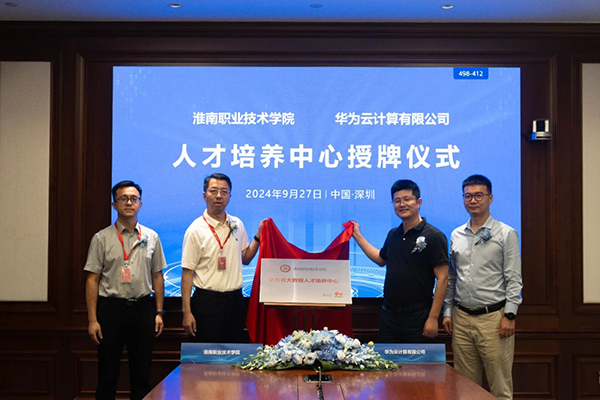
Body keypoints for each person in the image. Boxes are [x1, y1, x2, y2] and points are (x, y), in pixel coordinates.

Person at [442, 174, 523, 400]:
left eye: (479, 195)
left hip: (494, 319)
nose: (473, 200)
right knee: (465, 388)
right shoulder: (456, 234)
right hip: (461, 319)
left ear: (490, 198)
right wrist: (447, 311)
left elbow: (514, 278)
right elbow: (452, 277)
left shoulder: (505, 233)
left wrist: (510, 315)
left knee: (500, 388)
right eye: (468, 196)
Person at [84, 180, 166, 400]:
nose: (129, 203)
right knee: (107, 374)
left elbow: (157, 276)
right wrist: (92, 320)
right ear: (114, 204)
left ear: (140, 203)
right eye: (123, 199)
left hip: (143, 309)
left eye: (133, 198)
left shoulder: (151, 237)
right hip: (111, 310)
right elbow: (92, 279)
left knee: (141, 374)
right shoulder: (101, 238)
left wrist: (159, 312)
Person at [351, 179, 449, 343]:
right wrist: (357, 236)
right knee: (386, 359)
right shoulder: (393, 234)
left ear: (419, 202)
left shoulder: (434, 236)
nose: (402, 204)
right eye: (397, 201)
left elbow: (443, 278)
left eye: (407, 199)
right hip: (388, 315)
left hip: (418, 316)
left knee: (416, 361)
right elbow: (381, 259)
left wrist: (433, 318)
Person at [181, 173, 266, 343]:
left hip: (235, 301)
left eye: (224, 192)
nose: (219, 196)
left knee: (233, 352)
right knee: (206, 353)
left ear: (229, 196)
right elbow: (187, 273)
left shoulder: (237, 224)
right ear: (205, 195)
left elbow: (245, 258)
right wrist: (186, 312)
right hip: (207, 302)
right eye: (213, 191)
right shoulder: (195, 229)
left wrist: (258, 236)